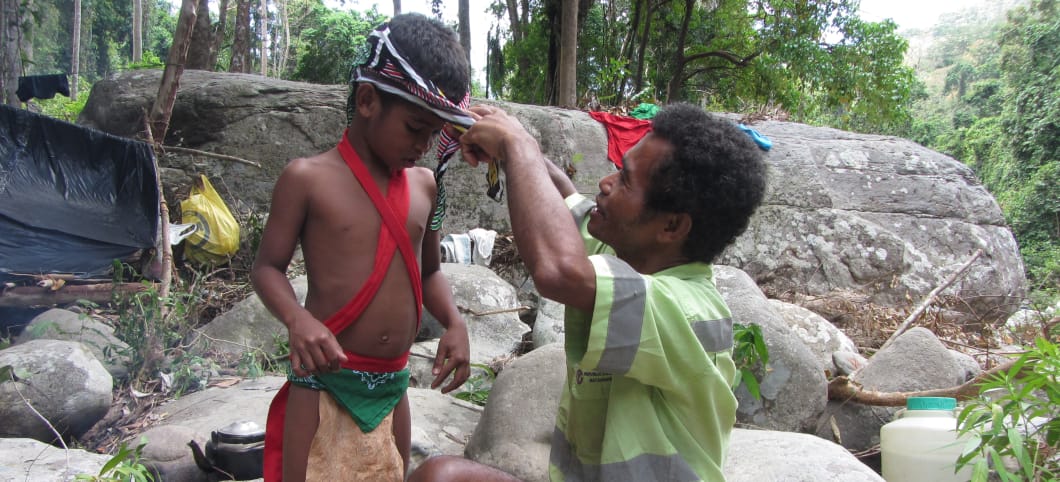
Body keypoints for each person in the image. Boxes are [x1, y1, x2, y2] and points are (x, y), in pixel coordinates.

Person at [411, 103, 767, 481]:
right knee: (441, 475)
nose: (605, 183)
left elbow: (558, 271)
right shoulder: (634, 253)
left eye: (626, 180)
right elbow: (565, 204)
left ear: (672, 225)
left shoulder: (685, 309)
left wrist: (518, 147)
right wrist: (513, 143)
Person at [251, 13, 472, 482]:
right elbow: (267, 267)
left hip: (394, 384)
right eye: (415, 128)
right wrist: (298, 319)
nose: (424, 145)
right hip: (321, 383)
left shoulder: (426, 186)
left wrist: (454, 322)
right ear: (368, 100)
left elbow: (429, 271)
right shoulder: (307, 179)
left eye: (434, 134)